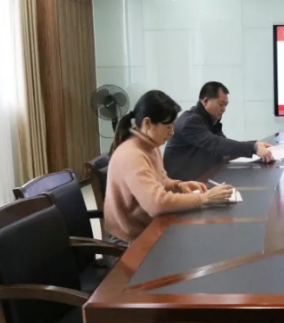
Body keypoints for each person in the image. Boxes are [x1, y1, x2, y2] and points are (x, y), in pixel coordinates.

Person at [104, 90, 234, 243]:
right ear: (147, 123)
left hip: (148, 227)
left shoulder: (149, 146)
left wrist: (177, 185)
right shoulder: (132, 155)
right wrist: (204, 198)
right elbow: (156, 203)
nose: (172, 132)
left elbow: (159, 179)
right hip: (128, 241)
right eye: (168, 127)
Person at [164, 82, 274, 181]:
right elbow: (217, 144)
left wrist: (254, 144)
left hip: (198, 177)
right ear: (206, 101)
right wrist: (253, 148)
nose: (223, 109)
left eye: (225, 105)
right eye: (221, 104)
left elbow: (224, 146)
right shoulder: (191, 122)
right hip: (180, 185)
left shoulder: (209, 120)